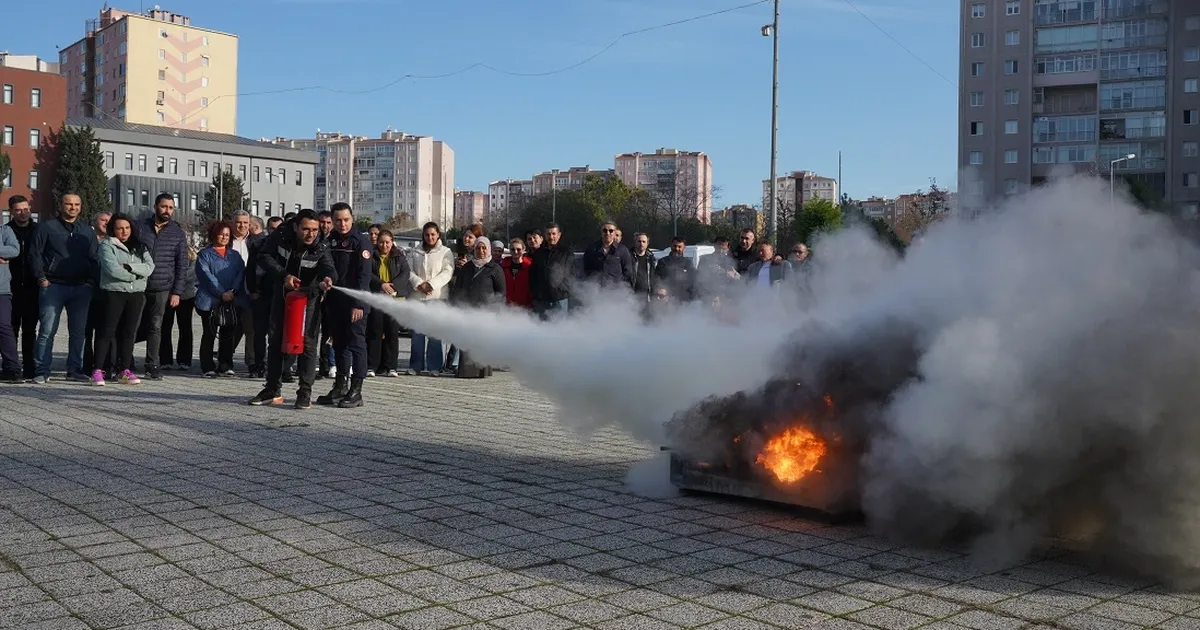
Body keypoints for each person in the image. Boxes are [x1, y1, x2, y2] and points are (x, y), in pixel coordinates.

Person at [249, 210, 335, 409]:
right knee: (276, 340)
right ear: (295, 227)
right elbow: (264, 257)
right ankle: (272, 389)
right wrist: (283, 275)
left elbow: (329, 268)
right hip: (282, 295)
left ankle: (304, 391)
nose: (311, 234)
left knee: (308, 344)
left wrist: (328, 280)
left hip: (309, 299)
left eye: (314, 230)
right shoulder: (280, 236)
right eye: (305, 229)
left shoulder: (321, 245)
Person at [29, 194, 98, 384]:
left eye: (76, 204)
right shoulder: (47, 227)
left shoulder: (87, 230)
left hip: (81, 288)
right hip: (53, 286)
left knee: (78, 332)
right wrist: (41, 278)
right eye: (69, 204)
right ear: (61, 205)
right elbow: (35, 254)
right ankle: (42, 370)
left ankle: (74, 369)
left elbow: (95, 258)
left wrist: (91, 281)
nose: (73, 207)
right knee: (47, 331)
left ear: (81, 206)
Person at [316, 203, 372, 408]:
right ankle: (339, 387)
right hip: (335, 303)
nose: (342, 224)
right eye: (337, 220)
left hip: (355, 304)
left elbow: (364, 277)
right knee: (339, 344)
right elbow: (324, 266)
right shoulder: (329, 241)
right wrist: (325, 280)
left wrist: (358, 304)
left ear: (352, 218)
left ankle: (356, 391)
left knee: (357, 345)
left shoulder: (361, 242)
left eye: (346, 219)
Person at [92, 213, 155, 386]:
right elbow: (112, 269)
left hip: (135, 294)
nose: (124, 231)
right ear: (113, 229)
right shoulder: (107, 245)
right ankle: (98, 370)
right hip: (114, 292)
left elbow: (150, 267)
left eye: (127, 228)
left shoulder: (141, 247)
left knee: (128, 332)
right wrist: (135, 275)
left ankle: (124, 370)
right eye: (120, 228)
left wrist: (129, 267)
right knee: (107, 331)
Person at [134, 193, 189, 381]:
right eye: (164, 207)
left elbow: (182, 265)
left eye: (171, 208)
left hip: (162, 287)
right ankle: (124, 361)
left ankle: (152, 364)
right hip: (138, 285)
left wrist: (177, 292)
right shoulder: (140, 227)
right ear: (155, 206)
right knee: (132, 324)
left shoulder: (177, 233)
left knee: (155, 327)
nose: (167, 211)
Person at [196, 221, 247, 378]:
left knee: (228, 333)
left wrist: (232, 291)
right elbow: (206, 276)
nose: (224, 237)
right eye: (221, 234)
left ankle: (225, 365)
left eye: (227, 234)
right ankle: (207, 366)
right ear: (214, 234)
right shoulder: (204, 254)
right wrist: (220, 293)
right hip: (209, 300)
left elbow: (241, 273)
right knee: (209, 333)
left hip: (231, 299)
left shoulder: (235, 255)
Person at [405, 222, 454, 376]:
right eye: (427, 234)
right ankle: (416, 365)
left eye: (433, 234)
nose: (430, 237)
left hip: (436, 297)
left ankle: (434, 366)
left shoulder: (446, 252)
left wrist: (431, 285)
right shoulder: (414, 251)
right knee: (417, 335)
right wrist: (419, 284)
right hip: (418, 298)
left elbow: (447, 272)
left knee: (434, 335)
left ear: (438, 234)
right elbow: (408, 270)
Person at [450, 239, 504, 379]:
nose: (481, 251)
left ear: (488, 249)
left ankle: (482, 372)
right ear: (474, 249)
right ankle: (466, 371)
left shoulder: (495, 269)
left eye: (484, 248)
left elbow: (501, 293)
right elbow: (458, 288)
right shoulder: (467, 267)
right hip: (467, 310)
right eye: (478, 248)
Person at [367, 229, 410, 377]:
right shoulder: (371, 256)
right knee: (375, 332)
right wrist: (381, 284)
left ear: (392, 242)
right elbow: (368, 274)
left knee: (392, 333)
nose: (384, 245)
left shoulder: (399, 256)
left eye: (387, 242)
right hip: (377, 298)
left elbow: (405, 274)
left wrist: (393, 286)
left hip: (394, 300)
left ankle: (391, 367)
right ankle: (372, 366)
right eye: (381, 242)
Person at [6, 195, 38, 382]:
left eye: (26, 209)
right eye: (18, 210)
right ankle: (11, 366)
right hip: (11, 286)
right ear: (11, 211)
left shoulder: (38, 230)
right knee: (10, 329)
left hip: (33, 286)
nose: (23, 213)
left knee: (30, 329)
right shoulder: (6, 231)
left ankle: (29, 366)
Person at [82, 211, 113, 379]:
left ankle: (105, 366)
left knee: (105, 331)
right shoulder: (86, 239)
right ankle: (86, 365)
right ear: (95, 221)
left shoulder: (114, 242)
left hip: (107, 293)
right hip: (87, 290)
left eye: (109, 221)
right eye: (103, 220)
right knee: (85, 331)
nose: (106, 223)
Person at [229, 210, 261, 374]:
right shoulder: (226, 240)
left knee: (251, 329)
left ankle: (252, 362)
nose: (241, 225)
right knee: (229, 327)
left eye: (245, 223)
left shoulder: (257, 242)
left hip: (250, 292)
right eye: (238, 222)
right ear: (232, 223)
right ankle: (225, 361)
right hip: (229, 292)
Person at [160, 246, 197, 371]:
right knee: (164, 327)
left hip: (186, 295)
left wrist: (177, 285)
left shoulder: (191, 254)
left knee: (185, 327)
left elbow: (192, 274)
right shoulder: (164, 252)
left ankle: (184, 360)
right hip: (167, 294)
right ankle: (165, 359)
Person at [529, 223, 573, 320]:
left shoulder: (566, 252)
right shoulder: (538, 253)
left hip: (559, 298)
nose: (551, 237)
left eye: (554, 234)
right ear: (544, 235)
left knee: (559, 328)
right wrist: (537, 291)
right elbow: (533, 274)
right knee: (542, 328)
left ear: (559, 235)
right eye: (548, 234)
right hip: (542, 299)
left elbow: (571, 273)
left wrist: (563, 288)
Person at [582, 222, 633, 289]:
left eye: (611, 231)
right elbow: (586, 269)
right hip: (595, 291)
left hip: (616, 292)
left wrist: (623, 288)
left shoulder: (622, 250)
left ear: (615, 233)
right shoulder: (591, 249)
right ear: (601, 232)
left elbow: (628, 272)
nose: (607, 233)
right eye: (605, 230)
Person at [0, 221, 21, 383]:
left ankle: (12, 368)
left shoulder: (4, 230)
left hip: (2, 289)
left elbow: (14, 250)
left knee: (4, 326)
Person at [654, 236, 696, 302]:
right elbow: (657, 277)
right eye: (674, 246)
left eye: (679, 247)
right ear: (671, 246)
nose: (676, 248)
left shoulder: (688, 262)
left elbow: (692, 280)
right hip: (666, 299)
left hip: (683, 299)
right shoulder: (663, 261)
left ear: (684, 247)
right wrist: (661, 288)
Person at [500, 237, 532, 309]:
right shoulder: (503, 266)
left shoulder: (530, 266)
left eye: (518, 249)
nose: (516, 252)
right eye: (513, 249)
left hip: (526, 307)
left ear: (524, 249)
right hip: (507, 307)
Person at [629, 232, 656, 303]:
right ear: (635, 242)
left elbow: (655, 277)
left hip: (647, 298)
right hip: (631, 297)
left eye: (644, 242)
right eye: (639, 241)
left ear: (647, 244)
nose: (641, 244)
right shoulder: (628, 257)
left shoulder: (652, 259)